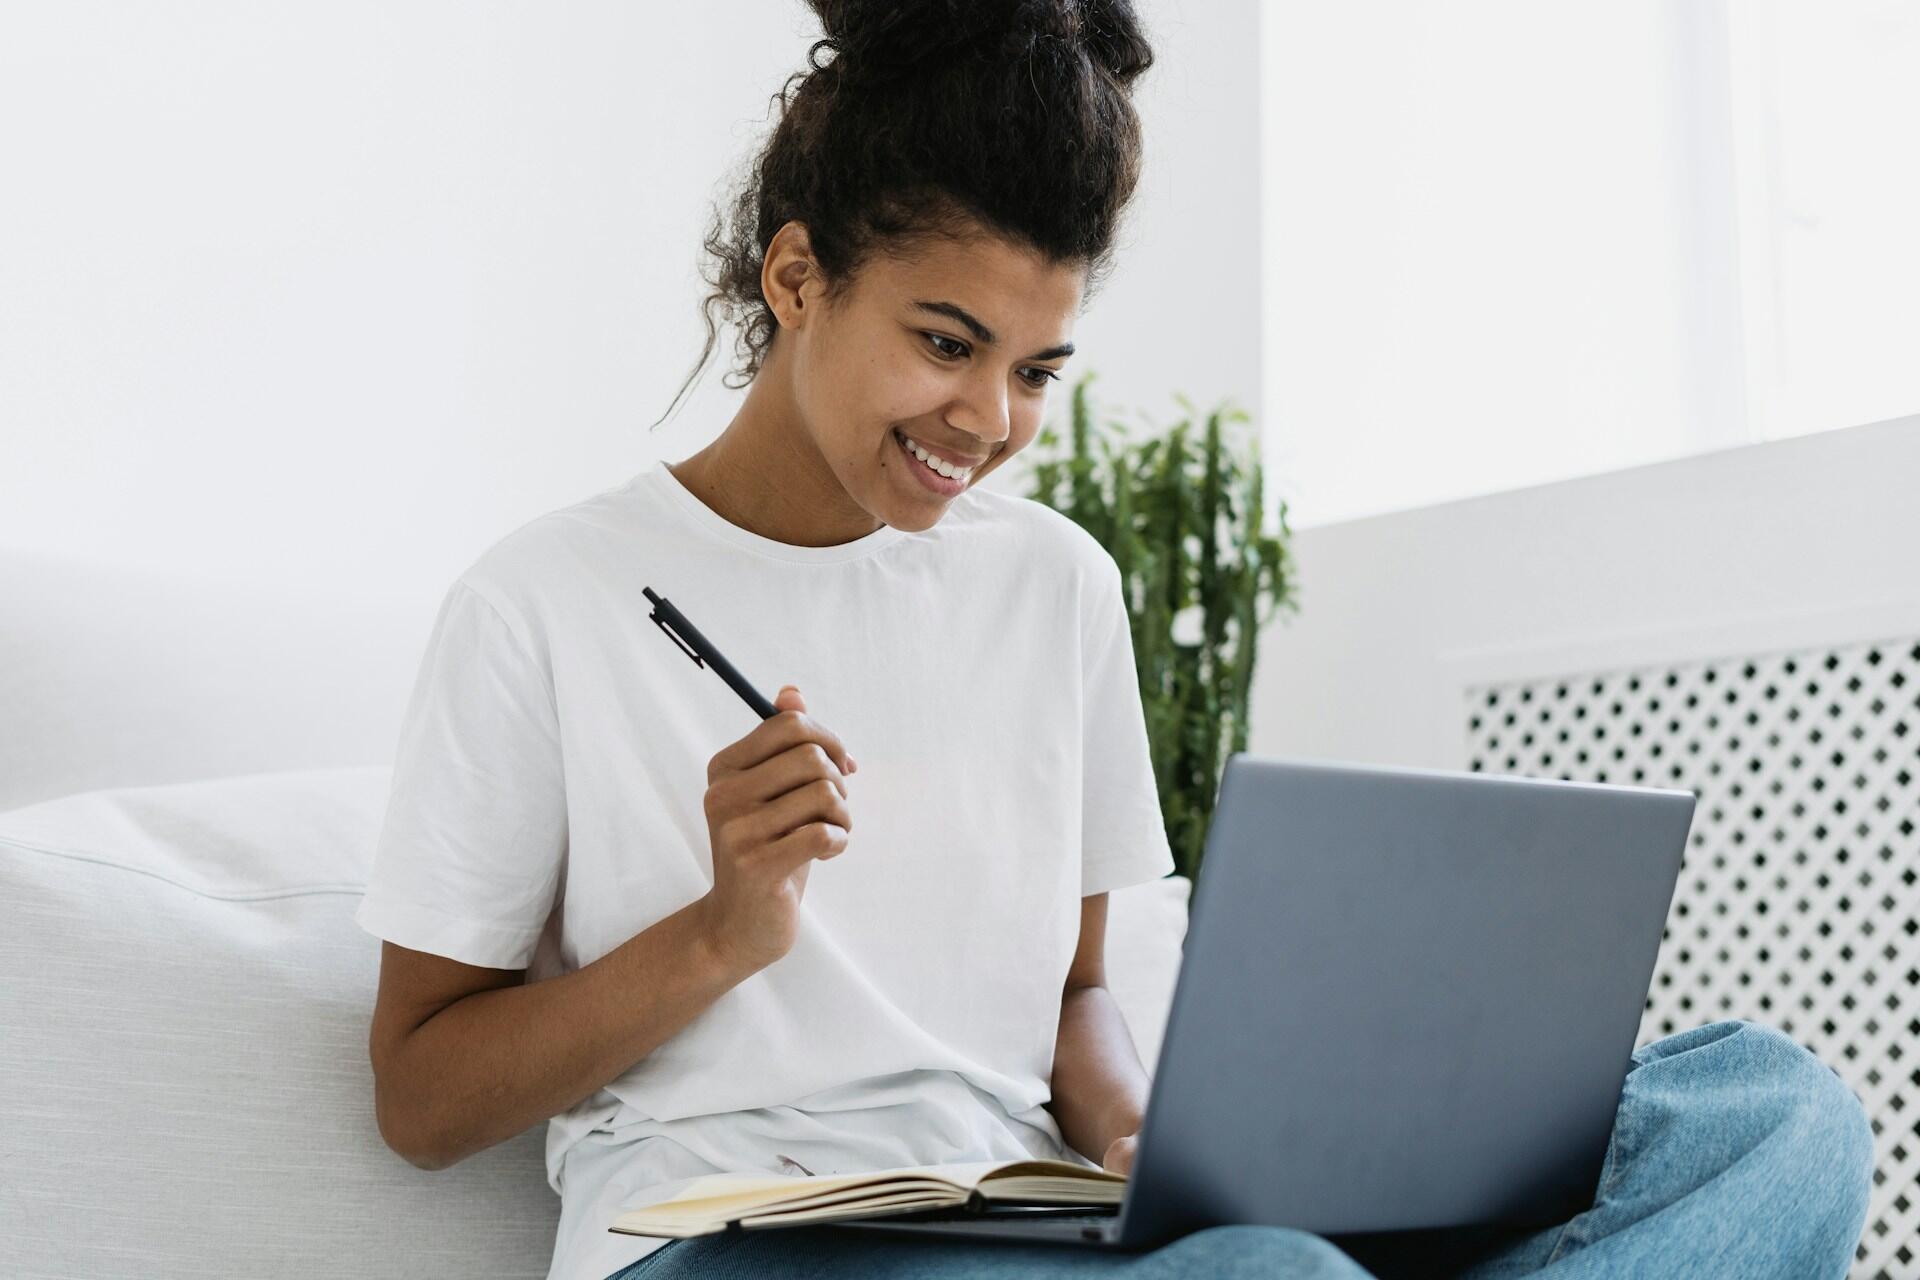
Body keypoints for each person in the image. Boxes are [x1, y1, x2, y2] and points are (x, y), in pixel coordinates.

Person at [353, 1, 1877, 1277]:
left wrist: (1144, 1137)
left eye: (1036, 370)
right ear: (797, 276)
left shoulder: (1057, 583)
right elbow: (419, 1097)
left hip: (1033, 1223)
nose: (988, 424)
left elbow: (1080, 991)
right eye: (946, 345)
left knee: (1769, 1109)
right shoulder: (543, 599)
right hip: (731, 1237)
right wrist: (719, 934)